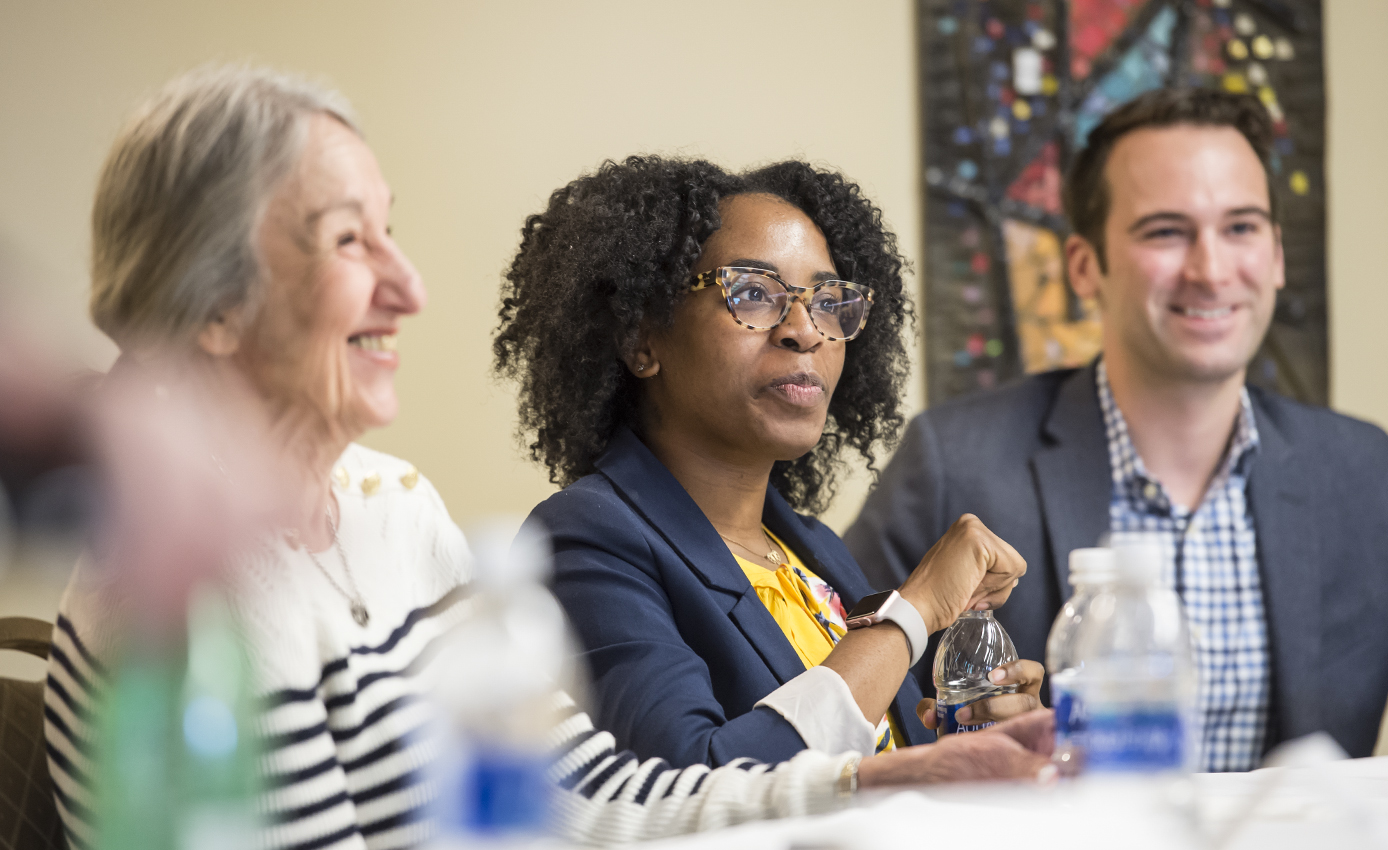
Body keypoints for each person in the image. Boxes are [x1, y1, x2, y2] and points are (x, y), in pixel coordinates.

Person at [43, 66, 1054, 850]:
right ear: (209, 300)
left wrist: (878, 775)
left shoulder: (389, 506)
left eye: (390, 231)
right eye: (350, 241)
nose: (408, 284)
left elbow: (590, 800)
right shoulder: (171, 597)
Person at [844, 87, 1388, 769]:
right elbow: (829, 702)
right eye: (1166, 231)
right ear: (1084, 268)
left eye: (1242, 227)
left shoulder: (1368, 473)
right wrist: (974, 741)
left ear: (1277, 253)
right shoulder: (953, 461)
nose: (1212, 269)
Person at [499, 156, 1047, 772]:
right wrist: (911, 612)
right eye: (754, 294)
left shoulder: (817, 552)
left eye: (829, 301)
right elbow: (696, 787)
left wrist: (965, 748)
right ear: (641, 341)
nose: (804, 331)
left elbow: (864, 767)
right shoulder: (585, 540)